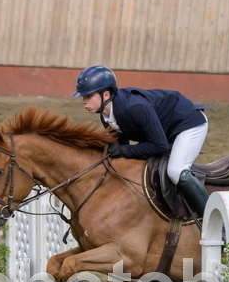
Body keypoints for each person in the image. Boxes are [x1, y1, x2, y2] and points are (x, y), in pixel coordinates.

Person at [73, 65, 209, 218]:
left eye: (88, 96)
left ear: (105, 94)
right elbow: (121, 147)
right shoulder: (106, 115)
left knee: (176, 171)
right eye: (83, 97)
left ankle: (211, 218)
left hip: (189, 124)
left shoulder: (136, 107)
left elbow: (159, 146)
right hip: (166, 131)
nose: (84, 102)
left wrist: (123, 150)